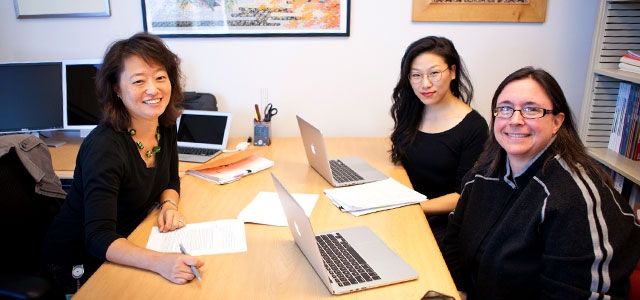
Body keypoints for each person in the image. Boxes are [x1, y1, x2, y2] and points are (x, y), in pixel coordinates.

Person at [442, 66, 640, 300]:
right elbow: (454, 238)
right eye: (505, 109)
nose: (515, 120)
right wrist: (459, 290)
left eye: (531, 110)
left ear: (557, 121)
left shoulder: (575, 198)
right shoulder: (484, 172)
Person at [41, 32, 204, 299]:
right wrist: (161, 262)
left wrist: (169, 205)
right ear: (117, 88)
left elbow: (170, 180)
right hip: (80, 262)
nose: (153, 89)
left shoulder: (163, 124)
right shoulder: (105, 148)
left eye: (160, 77)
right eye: (139, 81)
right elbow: (98, 237)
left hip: (131, 239)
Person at [389, 36, 488, 249]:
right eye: (416, 75)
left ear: (452, 71)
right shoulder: (413, 110)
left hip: (443, 223)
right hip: (408, 209)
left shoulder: (474, 127)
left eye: (434, 73)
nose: (425, 83)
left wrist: (413, 208)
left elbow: (464, 195)